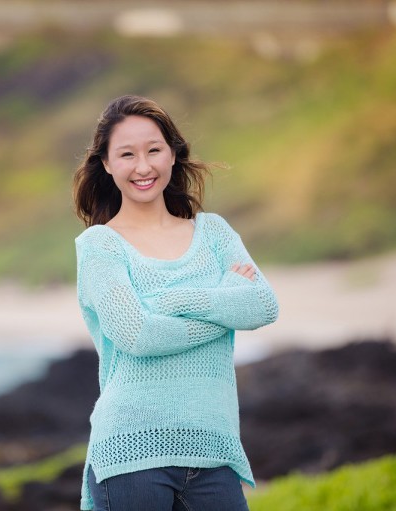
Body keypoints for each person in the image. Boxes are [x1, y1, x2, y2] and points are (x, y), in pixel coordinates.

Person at [72, 95, 279, 511]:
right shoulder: (100, 247)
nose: (143, 166)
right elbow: (139, 334)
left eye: (154, 150)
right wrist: (223, 304)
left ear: (173, 154)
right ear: (107, 164)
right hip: (131, 451)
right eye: (127, 154)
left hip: (212, 449)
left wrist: (175, 300)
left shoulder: (215, 233)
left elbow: (263, 306)